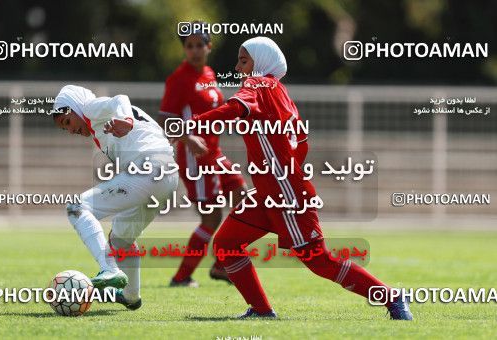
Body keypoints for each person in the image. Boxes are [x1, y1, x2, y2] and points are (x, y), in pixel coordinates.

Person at [185, 36, 413, 320]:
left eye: (244, 60)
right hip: (272, 190)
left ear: (261, 62)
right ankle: (261, 310)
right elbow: (301, 143)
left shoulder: (258, 84)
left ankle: (391, 296)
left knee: (319, 261)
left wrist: (192, 124)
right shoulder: (279, 91)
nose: (238, 67)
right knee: (226, 244)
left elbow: (235, 109)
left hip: (283, 193)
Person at [53, 85, 179, 310]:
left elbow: (120, 98)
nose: (70, 130)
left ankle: (108, 268)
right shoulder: (98, 124)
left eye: (67, 122)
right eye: (64, 128)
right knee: (121, 239)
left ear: (74, 107)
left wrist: (126, 121)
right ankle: (131, 296)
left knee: (76, 206)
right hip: (167, 175)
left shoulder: (90, 108)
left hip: (148, 169)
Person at [157, 22, 247, 287]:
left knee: (245, 201)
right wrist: (188, 137)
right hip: (194, 159)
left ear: (209, 46)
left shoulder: (208, 73)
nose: (195, 50)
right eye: (189, 46)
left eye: (199, 45)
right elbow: (164, 119)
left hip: (215, 154)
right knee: (212, 216)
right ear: (184, 49)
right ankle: (182, 276)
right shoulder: (179, 78)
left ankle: (222, 264)